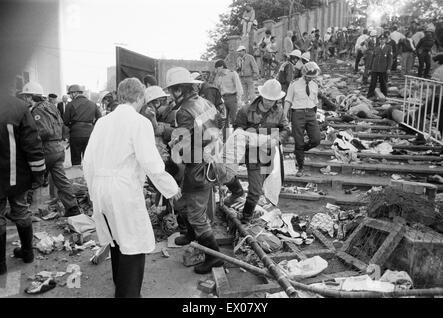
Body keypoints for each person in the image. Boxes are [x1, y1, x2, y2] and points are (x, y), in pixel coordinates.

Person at [83, 78, 181, 298]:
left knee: (117, 241)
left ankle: (121, 286)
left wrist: (93, 193)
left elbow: (87, 161)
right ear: (140, 97)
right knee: (133, 245)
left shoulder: (102, 122)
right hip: (122, 190)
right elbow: (151, 161)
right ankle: (128, 294)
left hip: (101, 188)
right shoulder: (139, 122)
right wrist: (171, 188)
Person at [165, 67, 225, 274]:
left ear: (179, 90)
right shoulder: (205, 102)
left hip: (197, 166)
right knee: (185, 203)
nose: (171, 95)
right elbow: (218, 124)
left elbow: (187, 145)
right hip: (209, 160)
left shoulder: (183, 111)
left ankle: (213, 257)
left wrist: (175, 145)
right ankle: (191, 236)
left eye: (173, 90)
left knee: (196, 213)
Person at [223, 79, 290, 222]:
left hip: (260, 154)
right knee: (224, 172)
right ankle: (237, 191)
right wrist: (247, 135)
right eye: (267, 99)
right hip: (243, 148)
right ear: (261, 95)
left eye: (273, 100)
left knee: (255, 191)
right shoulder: (246, 110)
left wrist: (277, 140)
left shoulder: (279, 112)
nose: (269, 102)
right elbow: (237, 129)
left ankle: (246, 216)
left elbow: (285, 129)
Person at [20, 82, 81, 217]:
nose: (25, 100)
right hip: (58, 149)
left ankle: (24, 211)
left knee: (31, 177)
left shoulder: (37, 111)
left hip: (47, 149)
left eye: (26, 97)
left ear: (31, 97)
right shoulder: (51, 106)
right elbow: (62, 126)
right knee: (61, 180)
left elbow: (44, 131)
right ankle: (72, 208)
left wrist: (29, 138)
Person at [1, 93, 46, 276]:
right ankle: (27, 253)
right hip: (15, 176)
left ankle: (0, 264)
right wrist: (38, 175)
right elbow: (32, 145)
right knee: (21, 210)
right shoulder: (18, 107)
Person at [284, 62, 322, 177]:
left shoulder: (315, 84)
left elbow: (315, 102)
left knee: (316, 140)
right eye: (309, 77)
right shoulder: (294, 84)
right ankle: (300, 167)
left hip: (311, 113)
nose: (311, 79)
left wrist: (317, 115)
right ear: (304, 75)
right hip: (297, 114)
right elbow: (288, 100)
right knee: (298, 141)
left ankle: (299, 150)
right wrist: (285, 115)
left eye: (313, 77)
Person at [413, 54, 443, 147]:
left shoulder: (439, 70)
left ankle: (420, 137)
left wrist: (420, 85)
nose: (431, 63)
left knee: (419, 113)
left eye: (432, 61)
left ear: (437, 62)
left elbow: (436, 83)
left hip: (439, 98)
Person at [64, 84, 102, 166]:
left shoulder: (70, 105)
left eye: (70, 93)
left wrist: (73, 126)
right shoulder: (93, 104)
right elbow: (100, 118)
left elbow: (66, 121)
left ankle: (77, 177)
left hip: (75, 135)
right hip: (89, 134)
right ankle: (88, 178)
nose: (70, 96)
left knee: (76, 160)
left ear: (75, 93)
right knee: (88, 160)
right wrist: (91, 126)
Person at [214, 60, 243, 128]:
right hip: (223, 99)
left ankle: (237, 137)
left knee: (234, 120)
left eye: (217, 68)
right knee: (224, 121)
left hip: (232, 99)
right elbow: (216, 87)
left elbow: (239, 87)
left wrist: (239, 100)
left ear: (221, 67)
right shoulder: (219, 76)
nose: (216, 70)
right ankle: (225, 138)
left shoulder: (232, 73)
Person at [367, 34, 393, 99]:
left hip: (383, 69)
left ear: (385, 40)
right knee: (373, 83)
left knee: (383, 83)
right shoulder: (376, 48)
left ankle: (384, 95)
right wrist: (370, 68)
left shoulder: (388, 48)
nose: (382, 41)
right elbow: (372, 59)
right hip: (375, 68)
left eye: (383, 39)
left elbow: (390, 59)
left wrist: (389, 68)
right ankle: (370, 95)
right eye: (381, 39)